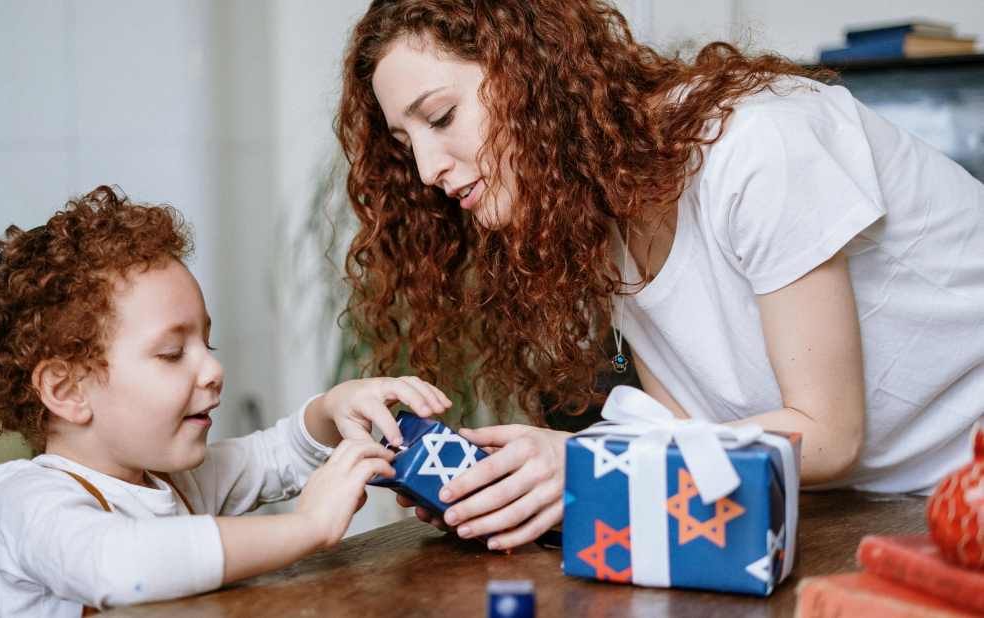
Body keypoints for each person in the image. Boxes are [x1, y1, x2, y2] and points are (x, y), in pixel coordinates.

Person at [336, 0, 984, 551]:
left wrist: (586, 463)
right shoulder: (598, 215)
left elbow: (830, 434)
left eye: (441, 117)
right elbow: (685, 442)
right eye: (404, 143)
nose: (424, 170)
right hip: (893, 514)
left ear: (530, 75)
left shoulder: (754, 144)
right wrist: (516, 482)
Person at [0, 186, 452, 616]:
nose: (213, 369)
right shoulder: (20, 499)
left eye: (206, 345)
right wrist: (308, 527)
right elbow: (118, 565)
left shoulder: (180, 480)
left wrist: (334, 408)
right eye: (171, 354)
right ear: (66, 390)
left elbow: (276, 455)